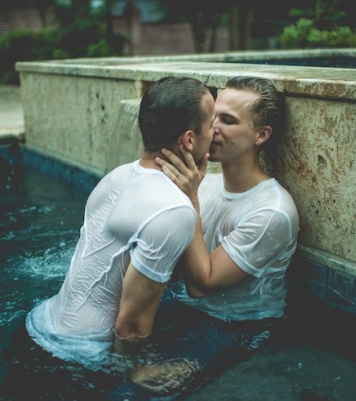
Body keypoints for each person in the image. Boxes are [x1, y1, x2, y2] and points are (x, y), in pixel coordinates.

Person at [21, 76, 215, 373]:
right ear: (189, 140)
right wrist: (139, 372)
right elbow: (131, 327)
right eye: (212, 124)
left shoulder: (117, 177)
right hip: (82, 353)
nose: (216, 132)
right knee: (198, 370)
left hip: (41, 322)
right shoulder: (174, 210)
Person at [157, 76, 299, 323]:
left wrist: (189, 199)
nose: (213, 129)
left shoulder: (272, 212)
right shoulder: (204, 185)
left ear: (261, 134)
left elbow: (202, 285)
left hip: (238, 326)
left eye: (228, 121)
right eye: (213, 118)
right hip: (187, 308)